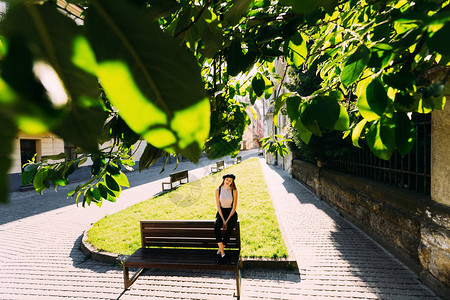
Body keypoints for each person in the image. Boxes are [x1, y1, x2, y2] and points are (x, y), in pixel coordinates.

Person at [214, 173, 238, 264]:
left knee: (230, 227)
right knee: (216, 226)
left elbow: (234, 207)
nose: (228, 181)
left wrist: (227, 221)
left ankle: (219, 251)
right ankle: (222, 253)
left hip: (231, 213)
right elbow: (218, 206)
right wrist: (223, 220)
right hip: (221, 212)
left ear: (232, 182)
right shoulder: (218, 190)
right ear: (224, 180)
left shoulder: (234, 191)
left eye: (230, 180)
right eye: (227, 179)